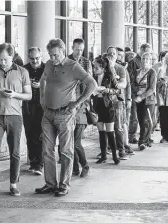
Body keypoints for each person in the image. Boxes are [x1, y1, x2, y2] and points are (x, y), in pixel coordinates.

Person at [35, 38, 96, 197]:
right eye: (50, 55)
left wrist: (77, 103)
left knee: (65, 150)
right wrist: (42, 97)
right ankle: (50, 184)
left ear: (63, 51)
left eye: (55, 55)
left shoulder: (73, 66)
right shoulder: (49, 64)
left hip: (65, 114)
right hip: (48, 113)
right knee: (47, 150)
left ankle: (64, 185)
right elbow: (43, 81)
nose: (52, 58)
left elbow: (92, 84)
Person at [0, 43, 32, 207]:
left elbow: (29, 95)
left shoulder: (22, 72)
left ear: (12, 57)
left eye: (5, 59)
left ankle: (13, 184)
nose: (2, 62)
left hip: (15, 116)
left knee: (14, 152)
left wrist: (15, 94)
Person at [67, 38, 92, 177]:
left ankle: (85, 165)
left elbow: (89, 84)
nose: (79, 52)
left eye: (81, 50)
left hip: (81, 106)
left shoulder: (86, 62)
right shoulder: (67, 61)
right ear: (72, 47)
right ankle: (75, 168)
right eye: (77, 49)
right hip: (69, 105)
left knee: (76, 142)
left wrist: (83, 103)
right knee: (70, 141)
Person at [92, 55, 121, 165]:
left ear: (103, 68)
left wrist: (108, 90)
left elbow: (117, 90)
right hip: (97, 105)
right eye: (94, 67)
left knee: (110, 132)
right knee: (101, 132)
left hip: (108, 106)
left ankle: (114, 156)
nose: (94, 70)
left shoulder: (109, 76)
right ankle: (103, 155)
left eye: (96, 68)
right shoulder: (93, 78)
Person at [23, 47, 45, 175]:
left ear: (41, 56)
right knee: (30, 135)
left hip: (42, 107)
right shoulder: (24, 69)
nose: (35, 61)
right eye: (32, 59)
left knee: (41, 135)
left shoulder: (47, 68)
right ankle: (33, 162)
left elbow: (54, 85)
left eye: (37, 58)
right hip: (28, 107)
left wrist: (41, 85)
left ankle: (40, 164)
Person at [127, 43, 152, 144]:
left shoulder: (151, 69)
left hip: (145, 96)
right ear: (141, 50)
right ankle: (133, 136)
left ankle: (145, 137)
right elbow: (131, 79)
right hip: (135, 94)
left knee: (145, 118)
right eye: (145, 54)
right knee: (134, 116)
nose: (145, 58)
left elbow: (152, 86)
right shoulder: (133, 62)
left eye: (148, 56)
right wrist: (137, 90)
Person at [106, 46, 128, 160]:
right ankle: (105, 151)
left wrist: (111, 87)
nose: (111, 55)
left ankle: (121, 151)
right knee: (105, 127)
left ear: (117, 55)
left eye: (113, 53)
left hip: (117, 100)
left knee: (118, 127)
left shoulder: (120, 68)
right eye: (109, 53)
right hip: (105, 101)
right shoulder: (103, 68)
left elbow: (123, 84)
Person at [132, 52, 156, 150]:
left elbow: (152, 88)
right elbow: (132, 83)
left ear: (150, 61)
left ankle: (142, 141)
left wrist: (142, 96)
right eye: (143, 59)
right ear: (141, 60)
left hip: (148, 100)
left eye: (147, 59)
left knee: (147, 120)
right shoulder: (137, 71)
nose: (145, 61)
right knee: (141, 120)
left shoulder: (152, 72)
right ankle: (147, 139)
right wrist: (136, 91)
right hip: (138, 99)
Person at [116, 47, 135, 155]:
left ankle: (126, 144)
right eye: (118, 55)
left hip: (122, 99)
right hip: (111, 100)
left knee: (123, 123)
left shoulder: (123, 69)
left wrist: (128, 99)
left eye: (121, 56)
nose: (119, 57)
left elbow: (128, 85)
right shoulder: (107, 66)